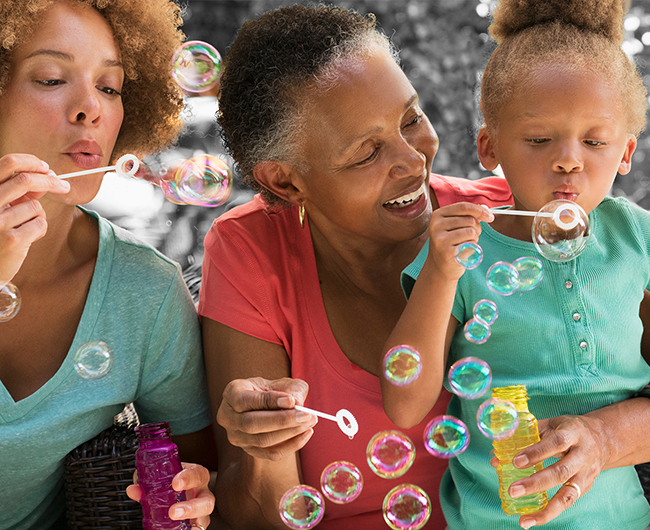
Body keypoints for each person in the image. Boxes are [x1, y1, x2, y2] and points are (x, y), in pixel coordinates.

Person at [198, 5, 512, 529]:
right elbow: (255, 514)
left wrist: (604, 436)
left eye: (411, 118)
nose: (414, 160)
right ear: (286, 181)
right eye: (367, 152)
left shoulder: (509, 220)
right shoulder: (250, 250)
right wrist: (264, 445)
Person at [381, 0, 650, 528]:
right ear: (489, 147)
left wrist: (607, 435)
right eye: (537, 139)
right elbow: (406, 406)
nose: (569, 158)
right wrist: (439, 271)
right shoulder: (461, 252)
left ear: (625, 152)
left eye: (594, 141)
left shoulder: (637, 240)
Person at [0, 1, 216, 528]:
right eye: (51, 78)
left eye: (111, 87)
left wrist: (199, 496)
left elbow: (198, 471)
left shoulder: (144, 291)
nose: (90, 108)